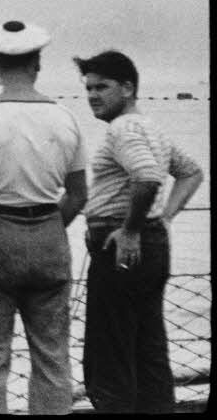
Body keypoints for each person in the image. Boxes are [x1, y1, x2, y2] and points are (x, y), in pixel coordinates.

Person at [0, 20, 88, 414]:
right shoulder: (65, 117)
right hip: (48, 233)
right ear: (38, 65)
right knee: (52, 356)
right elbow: (78, 194)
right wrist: (47, 225)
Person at [74, 50, 204, 414]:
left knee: (110, 359)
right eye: (88, 88)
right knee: (149, 354)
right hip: (152, 246)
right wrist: (164, 218)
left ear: (128, 88)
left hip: (121, 246)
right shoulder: (149, 126)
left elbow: (146, 176)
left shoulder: (123, 129)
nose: (93, 96)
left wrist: (131, 229)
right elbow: (191, 171)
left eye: (102, 87)